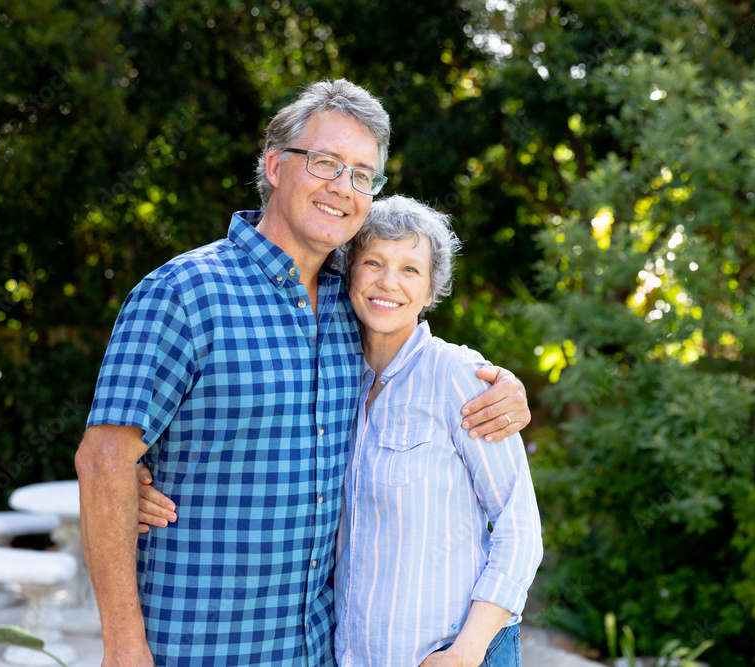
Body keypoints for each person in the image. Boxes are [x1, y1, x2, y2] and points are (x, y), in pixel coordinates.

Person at [75, 79, 530, 667]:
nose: (343, 187)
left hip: (315, 650)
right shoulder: (184, 294)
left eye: (362, 175)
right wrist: (123, 646)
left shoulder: (355, 306)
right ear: (274, 166)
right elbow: (103, 460)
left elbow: (420, 366)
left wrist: (504, 385)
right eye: (324, 162)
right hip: (193, 646)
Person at [138, 196, 543, 666]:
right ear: (349, 274)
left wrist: (465, 652)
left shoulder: (458, 377)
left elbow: (519, 527)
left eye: (410, 269)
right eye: (373, 262)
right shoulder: (334, 376)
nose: (388, 283)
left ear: (432, 290)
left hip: (454, 656)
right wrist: (136, 478)